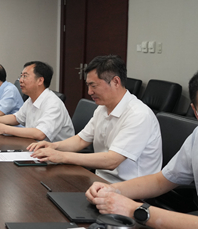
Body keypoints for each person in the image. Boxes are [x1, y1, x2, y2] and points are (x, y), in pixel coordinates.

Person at [85, 70, 198, 229]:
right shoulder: (196, 136)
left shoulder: (139, 114)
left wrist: (136, 210)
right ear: (195, 111)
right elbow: (162, 180)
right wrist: (113, 190)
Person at [29, 55, 162, 183]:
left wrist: (62, 156)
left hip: (131, 188)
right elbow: (81, 140)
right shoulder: (102, 108)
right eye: (88, 86)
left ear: (115, 82)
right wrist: (54, 146)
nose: (89, 92)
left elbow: (112, 161)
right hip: (101, 180)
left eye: (94, 86)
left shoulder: (138, 115)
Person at [0, 61, 74, 142]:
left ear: (40, 81)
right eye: (21, 76)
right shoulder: (31, 99)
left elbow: (40, 133)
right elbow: (16, 118)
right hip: (33, 146)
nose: (20, 80)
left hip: (55, 151)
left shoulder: (53, 103)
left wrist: (4, 129)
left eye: (25, 76)